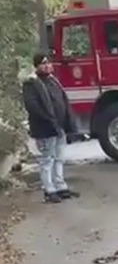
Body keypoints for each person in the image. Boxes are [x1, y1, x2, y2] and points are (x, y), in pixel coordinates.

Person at [22, 53, 79, 203]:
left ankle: (60, 186)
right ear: (36, 66)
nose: (47, 66)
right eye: (43, 63)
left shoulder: (53, 80)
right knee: (47, 160)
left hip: (59, 127)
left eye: (49, 63)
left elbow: (63, 101)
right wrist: (49, 120)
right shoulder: (31, 83)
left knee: (59, 158)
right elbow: (33, 107)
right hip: (45, 128)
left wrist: (69, 122)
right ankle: (49, 190)